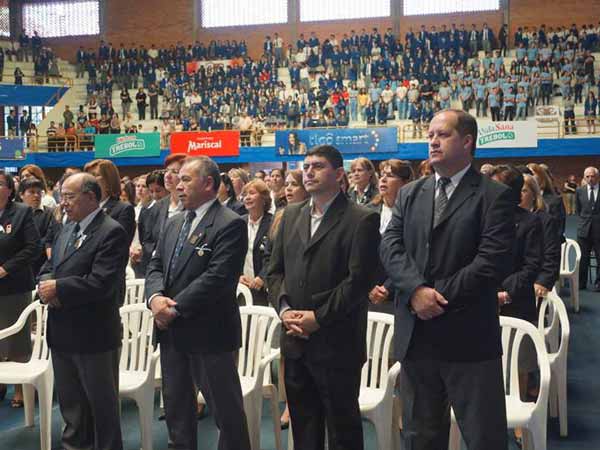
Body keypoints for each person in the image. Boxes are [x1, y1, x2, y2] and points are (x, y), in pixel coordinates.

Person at [380, 109, 515, 450]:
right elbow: (391, 246)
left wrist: (434, 296)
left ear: (467, 142)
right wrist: (415, 291)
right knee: (419, 437)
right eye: (430, 135)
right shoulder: (410, 193)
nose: (433, 142)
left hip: (468, 337)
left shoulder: (493, 195)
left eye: (442, 134)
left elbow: (490, 262)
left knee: (484, 438)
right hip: (417, 337)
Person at [266, 145, 380, 450]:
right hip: (295, 340)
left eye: (318, 166)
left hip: (337, 343)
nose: (309, 172)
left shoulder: (362, 218)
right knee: (304, 431)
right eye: (306, 167)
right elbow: (274, 271)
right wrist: (284, 309)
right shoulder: (291, 214)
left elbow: (358, 282)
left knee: (343, 433)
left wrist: (318, 318)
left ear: (339, 174)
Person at [145, 156, 251, 450]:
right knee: (177, 412)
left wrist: (173, 308)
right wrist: (155, 299)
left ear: (208, 183)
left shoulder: (230, 223)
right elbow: (155, 266)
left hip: (209, 333)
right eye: (178, 179)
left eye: (186, 179)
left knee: (227, 415)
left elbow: (218, 277)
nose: (178, 185)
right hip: (171, 332)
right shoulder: (174, 222)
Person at [38, 173, 128, 450]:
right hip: (62, 333)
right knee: (72, 408)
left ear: (90, 197)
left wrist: (59, 289)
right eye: (61, 196)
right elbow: (48, 267)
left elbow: (102, 282)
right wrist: (46, 285)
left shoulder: (111, 231)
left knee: (101, 409)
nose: (63, 203)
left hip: (94, 335)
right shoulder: (66, 228)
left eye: (69, 196)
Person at [491, 166, 542, 446]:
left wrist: (505, 293)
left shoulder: (529, 222)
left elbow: (532, 265)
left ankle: (521, 413)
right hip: (483, 300)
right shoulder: (481, 219)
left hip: (516, 301)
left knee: (519, 361)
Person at [0, 170, 41, 406]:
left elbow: (33, 248)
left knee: (16, 339)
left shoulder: (21, 212)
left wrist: (5, 269)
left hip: (14, 285)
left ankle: (20, 388)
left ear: (9, 190)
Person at [368, 159, 414, 314]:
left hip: (400, 292)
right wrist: (369, 286)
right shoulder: (368, 211)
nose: (383, 179)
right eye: (382, 175)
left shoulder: (414, 213)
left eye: (390, 175)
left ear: (405, 182)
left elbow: (412, 256)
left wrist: (388, 287)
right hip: (369, 292)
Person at [83, 159, 136, 247]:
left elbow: (119, 244)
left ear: (109, 179)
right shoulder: (83, 208)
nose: (89, 180)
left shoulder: (123, 209)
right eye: (88, 176)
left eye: (95, 175)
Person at [239, 179, 272, 306]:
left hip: (264, 288)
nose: (247, 197)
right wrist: (238, 275)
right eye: (245, 194)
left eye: (252, 193)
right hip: (242, 286)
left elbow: (276, 255)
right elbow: (232, 254)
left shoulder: (273, 222)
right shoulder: (239, 223)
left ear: (264, 198)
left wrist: (262, 277)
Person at [19, 177, 59, 276]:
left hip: (40, 263)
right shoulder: (15, 213)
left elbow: (49, 239)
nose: (36, 195)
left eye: (39, 192)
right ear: (21, 195)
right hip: (17, 263)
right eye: (32, 192)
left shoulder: (50, 213)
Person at [576, 166, 600, 291]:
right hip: (583, 230)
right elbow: (578, 210)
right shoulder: (579, 191)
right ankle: (581, 283)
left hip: (599, 230)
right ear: (584, 178)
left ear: (597, 177)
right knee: (582, 259)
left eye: (593, 176)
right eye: (587, 176)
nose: (590, 179)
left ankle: (599, 283)